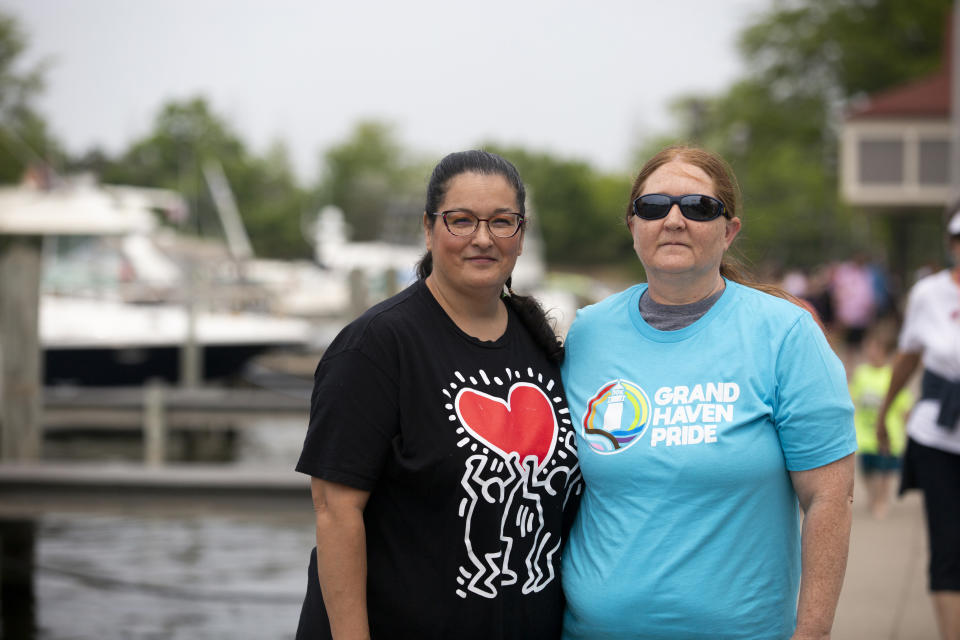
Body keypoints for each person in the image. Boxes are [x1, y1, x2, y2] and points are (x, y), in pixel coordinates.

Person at [559, 145, 857, 640]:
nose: (673, 220)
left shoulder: (784, 333)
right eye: (653, 206)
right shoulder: (589, 333)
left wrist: (814, 632)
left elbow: (829, 498)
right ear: (633, 225)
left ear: (729, 230)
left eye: (698, 207)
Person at [294, 150, 583, 640]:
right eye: (461, 221)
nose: (483, 238)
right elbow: (336, 512)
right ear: (429, 229)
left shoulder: (539, 344)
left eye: (502, 222)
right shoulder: (377, 347)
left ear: (521, 233)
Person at [876, 210, 960, 640]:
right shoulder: (929, 294)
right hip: (938, 437)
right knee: (947, 545)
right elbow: (908, 356)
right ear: (951, 244)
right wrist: (885, 414)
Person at [849, 324, 912, 519]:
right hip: (865, 435)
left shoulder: (892, 375)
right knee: (867, 471)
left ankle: (881, 500)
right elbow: (852, 399)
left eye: (874, 348)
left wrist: (905, 425)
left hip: (889, 435)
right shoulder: (861, 374)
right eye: (867, 347)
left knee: (885, 472)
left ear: (885, 351)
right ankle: (872, 496)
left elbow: (904, 406)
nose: (870, 352)